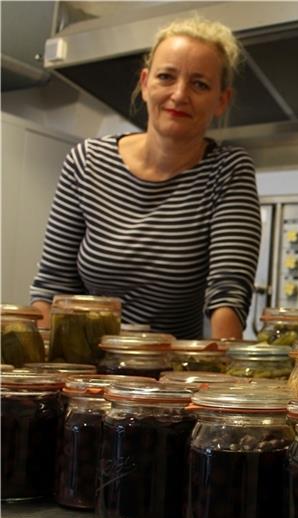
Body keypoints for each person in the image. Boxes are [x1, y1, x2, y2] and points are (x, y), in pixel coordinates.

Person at [30, 16, 261, 340]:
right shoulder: (87, 161)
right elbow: (51, 288)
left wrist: (229, 380)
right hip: (86, 371)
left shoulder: (227, 170)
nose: (179, 95)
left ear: (221, 100)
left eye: (200, 84)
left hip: (171, 379)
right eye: (166, 77)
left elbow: (227, 294)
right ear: (145, 82)